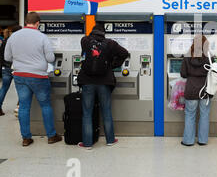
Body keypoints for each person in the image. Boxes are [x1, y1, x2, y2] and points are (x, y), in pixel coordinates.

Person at [4, 12, 62, 147]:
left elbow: (7, 57)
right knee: (46, 105)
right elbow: (51, 59)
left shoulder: (14, 37)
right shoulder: (42, 37)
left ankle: (26, 138)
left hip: (20, 76)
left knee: (24, 107)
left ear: (26, 22)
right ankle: (51, 135)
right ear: (37, 24)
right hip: (38, 76)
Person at [76, 23, 129, 150]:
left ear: (92, 32)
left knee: (87, 113)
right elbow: (125, 53)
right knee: (106, 111)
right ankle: (110, 140)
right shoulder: (110, 43)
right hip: (105, 81)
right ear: (104, 33)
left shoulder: (85, 40)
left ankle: (87, 143)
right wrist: (113, 65)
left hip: (87, 81)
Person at [180, 34, 211, 146]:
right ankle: (202, 140)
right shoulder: (208, 57)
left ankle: (188, 141)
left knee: (190, 115)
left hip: (191, 89)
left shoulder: (188, 56)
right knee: (204, 115)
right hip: (205, 90)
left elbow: (183, 74)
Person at [0, 25, 22, 116]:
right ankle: (19, 107)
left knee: (4, 88)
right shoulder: (19, 42)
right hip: (16, 68)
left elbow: (1, 55)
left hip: (6, 68)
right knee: (21, 89)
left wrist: (2, 66)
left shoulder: (5, 41)